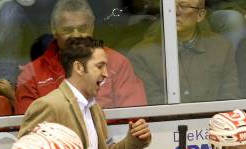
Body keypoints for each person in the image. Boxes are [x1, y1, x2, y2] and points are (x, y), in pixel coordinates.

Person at [19, 36, 152, 149]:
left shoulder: (95, 110)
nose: (105, 74)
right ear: (79, 68)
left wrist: (134, 142)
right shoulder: (49, 106)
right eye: (99, 66)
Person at [15, 0, 147, 114]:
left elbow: (134, 120)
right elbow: (29, 126)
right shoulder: (32, 74)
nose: (76, 35)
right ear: (54, 30)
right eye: (68, 30)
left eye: (82, 28)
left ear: (92, 27)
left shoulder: (117, 63)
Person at [129, 0, 240, 104]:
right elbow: (153, 105)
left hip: (216, 123)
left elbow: (230, 97)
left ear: (200, 15)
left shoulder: (221, 47)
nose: (175, 12)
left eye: (184, 6)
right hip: (166, 124)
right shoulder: (140, 55)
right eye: (170, 6)